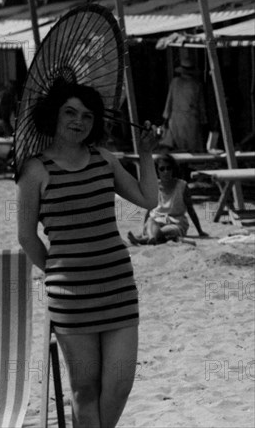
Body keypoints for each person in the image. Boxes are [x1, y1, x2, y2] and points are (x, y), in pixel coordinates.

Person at [16, 81, 159, 428]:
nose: (79, 121)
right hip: (70, 297)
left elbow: (148, 199)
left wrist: (145, 154)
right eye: (70, 112)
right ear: (54, 115)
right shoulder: (34, 171)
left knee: (119, 384)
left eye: (87, 115)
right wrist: (57, 272)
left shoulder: (105, 160)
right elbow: (26, 236)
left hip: (118, 288)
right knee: (84, 388)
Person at [127, 154, 209, 245]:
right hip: (156, 220)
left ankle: (143, 240)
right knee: (151, 222)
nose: (166, 172)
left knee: (165, 231)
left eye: (168, 168)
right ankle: (150, 238)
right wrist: (144, 228)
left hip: (176, 223)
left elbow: (190, 209)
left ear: (173, 169)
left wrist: (200, 231)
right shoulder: (154, 187)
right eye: (162, 169)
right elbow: (149, 209)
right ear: (157, 171)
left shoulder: (182, 186)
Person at [160, 56, 207, 152]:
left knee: (178, 145)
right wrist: (203, 120)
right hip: (190, 118)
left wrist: (166, 117)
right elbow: (201, 105)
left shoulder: (175, 82)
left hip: (176, 118)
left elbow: (169, 101)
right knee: (191, 146)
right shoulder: (196, 84)